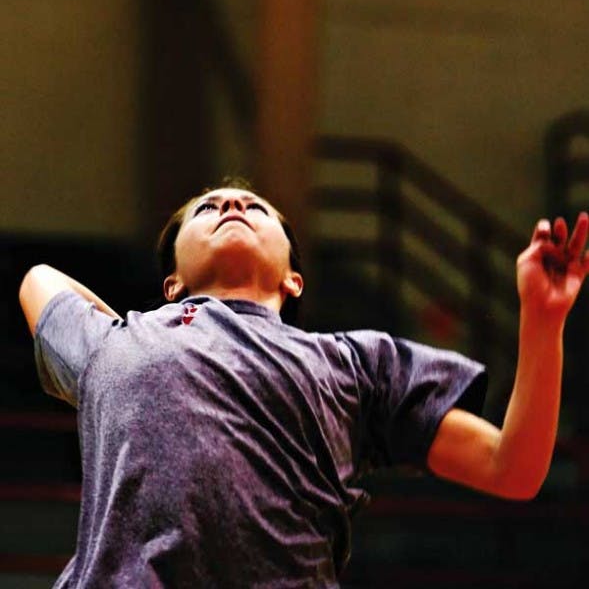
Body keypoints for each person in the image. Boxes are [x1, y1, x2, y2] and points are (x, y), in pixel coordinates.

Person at [19, 183, 589, 588]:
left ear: (294, 278)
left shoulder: (356, 362)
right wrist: (127, 352)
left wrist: (543, 322)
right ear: (171, 281)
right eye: (208, 208)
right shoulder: (113, 346)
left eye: (255, 207)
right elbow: (38, 280)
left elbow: (512, 469)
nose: (233, 206)